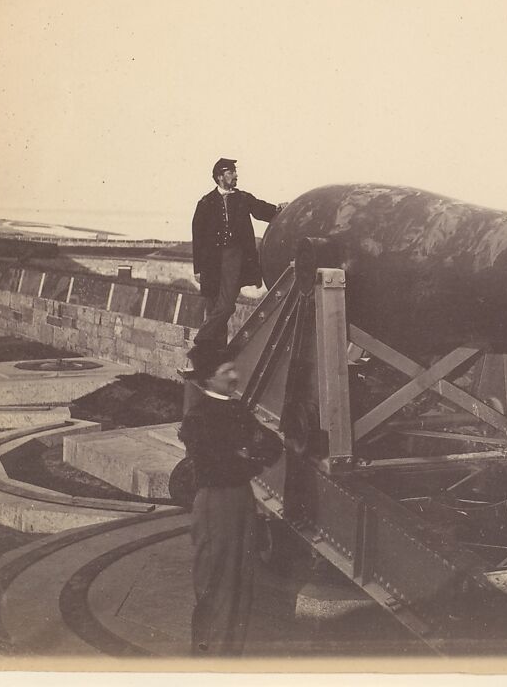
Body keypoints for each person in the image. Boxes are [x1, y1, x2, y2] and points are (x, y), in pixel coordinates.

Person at [177, 343, 284, 656]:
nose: (235, 376)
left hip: (240, 499)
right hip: (216, 504)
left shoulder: (237, 410)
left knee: (241, 582)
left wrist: (244, 455)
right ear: (209, 379)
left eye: (233, 369)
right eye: (227, 372)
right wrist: (248, 456)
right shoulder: (198, 418)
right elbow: (215, 467)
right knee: (215, 584)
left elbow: (273, 446)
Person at [191, 158, 285, 348]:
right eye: (231, 172)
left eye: (234, 172)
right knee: (214, 306)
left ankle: (202, 339)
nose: (235, 175)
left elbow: (262, 210)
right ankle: (214, 355)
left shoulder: (243, 198)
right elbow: (198, 237)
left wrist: (279, 209)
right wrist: (198, 268)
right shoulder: (205, 202)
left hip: (235, 258)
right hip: (212, 261)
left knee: (225, 306)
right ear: (219, 177)